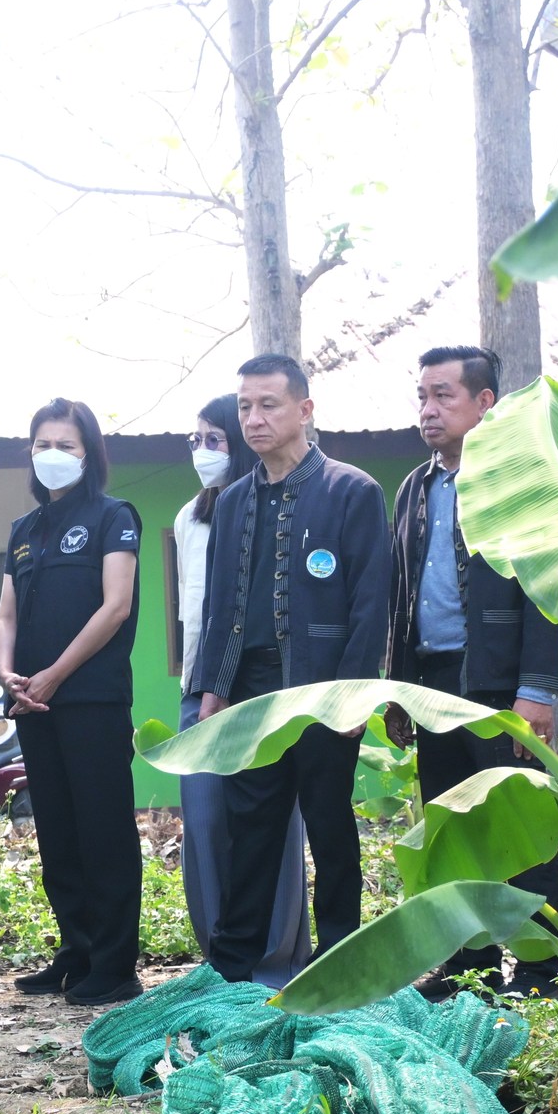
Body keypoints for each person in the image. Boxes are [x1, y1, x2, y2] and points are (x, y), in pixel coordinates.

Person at [193, 354, 391, 984]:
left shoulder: (352, 490)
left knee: (330, 827)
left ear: (305, 410)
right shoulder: (231, 503)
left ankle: (339, 961)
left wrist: (354, 697)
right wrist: (211, 688)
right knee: (250, 830)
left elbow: (371, 605)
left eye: (268, 404)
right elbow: (218, 602)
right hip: (251, 691)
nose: (254, 418)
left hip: (325, 687)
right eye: (245, 406)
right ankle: (234, 965)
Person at [384, 346, 558, 1001]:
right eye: (422, 397)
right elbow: (401, 594)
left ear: (484, 401)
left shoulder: (519, 482)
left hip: (502, 688)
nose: (428, 410)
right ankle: (471, 965)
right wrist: (398, 690)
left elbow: (548, 593)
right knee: (452, 829)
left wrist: (538, 688)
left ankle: (548, 967)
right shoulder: (414, 488)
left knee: (525, 830)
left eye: (443, 396)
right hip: (433, 686)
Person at [0, 398, 145, 1007]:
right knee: (56, 832)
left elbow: (116, 606)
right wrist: (7, 672)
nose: (52, 455)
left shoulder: (115, 516)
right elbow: (6, 613)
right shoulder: (23, 531)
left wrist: (53, 674)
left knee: (102, 831)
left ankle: (114, 964)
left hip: (91, 701)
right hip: (32, 704)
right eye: (42, 444)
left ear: (90, 454)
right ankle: (76, 951)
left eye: (66, 445)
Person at [173, 395, 314, 988]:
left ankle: (278, 962)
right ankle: (221, 961)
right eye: (196, 440)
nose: (204, 452)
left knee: (271, 829)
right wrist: (202, 685)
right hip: (201, 691)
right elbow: (194, 617)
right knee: (204, 827)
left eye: (215, 440)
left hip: (261, 691)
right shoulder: (188, 518)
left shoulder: (278, 511)